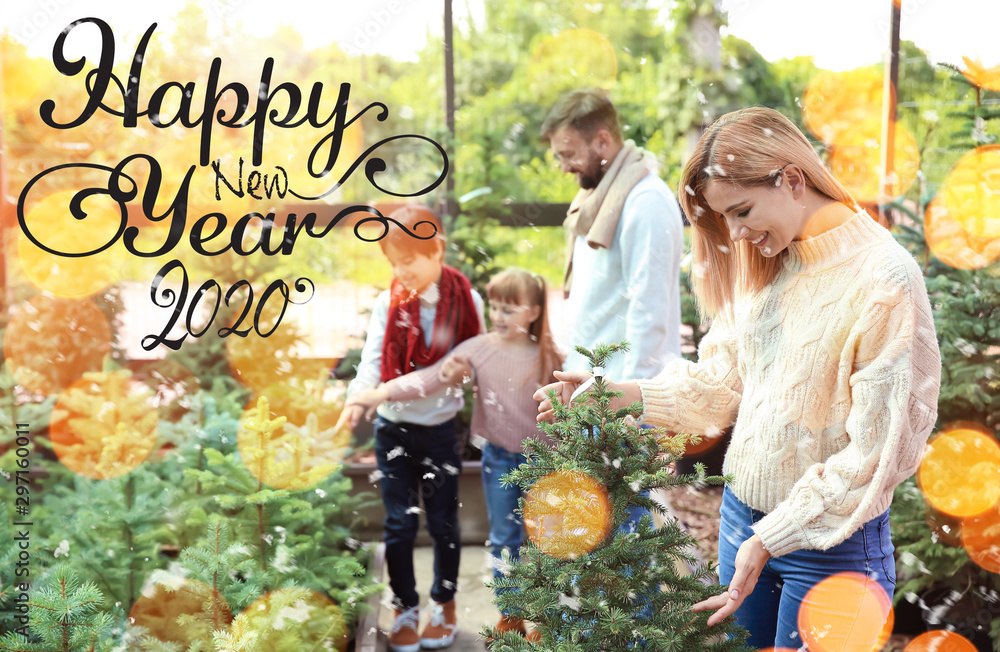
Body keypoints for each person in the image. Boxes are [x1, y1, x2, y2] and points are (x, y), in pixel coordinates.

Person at [534, 106, 941, 650]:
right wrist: (609, 395)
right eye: (725, 218)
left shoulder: (885, 278)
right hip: (741, 521)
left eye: (742, 210)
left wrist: (772, 536)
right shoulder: (767, 266)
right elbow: (715, 389)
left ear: (792, 179)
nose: (737, 233)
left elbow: (879, 452)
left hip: (832, 548)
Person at [343, 268, 563, 644]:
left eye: (509, 309)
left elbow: (568, 403)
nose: (497, 316)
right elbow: (429, 379)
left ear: (534, 311)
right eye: (494, 307)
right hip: (498, 460)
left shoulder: (551, 355)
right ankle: (510, 615)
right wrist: (380, 394)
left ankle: (546, 617)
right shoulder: (479, 349)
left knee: (547, 537)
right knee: (504, 537)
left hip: (545, 461)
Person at [336, 204, 485, 652]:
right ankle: (405, 606)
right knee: (398, 526)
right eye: (394, 264)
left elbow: (468, 367)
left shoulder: (467, 301)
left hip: (440, 430)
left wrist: (465, 374)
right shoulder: (389, 301)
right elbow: (370, 363)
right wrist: (354, 401)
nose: (402, 272)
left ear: (437, 249)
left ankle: (444, 603)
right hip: (393, 431)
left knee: (442, 522)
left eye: (409, 261)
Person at [542, 87, 684, 382]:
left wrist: (629, 410)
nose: (564, 167)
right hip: (592, 387)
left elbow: (650, 309)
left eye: (569, 154)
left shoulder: (646, 201)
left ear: (602, 142)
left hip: (621, 398)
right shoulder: (598, 200)